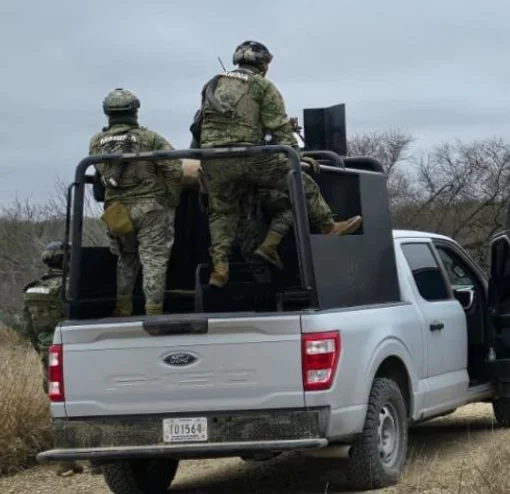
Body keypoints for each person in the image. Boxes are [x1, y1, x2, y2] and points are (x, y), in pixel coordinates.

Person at [196, 40, 362, 287]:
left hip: (213, 160)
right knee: (299, 180)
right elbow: (279, 128)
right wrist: (296, 156)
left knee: (221, 214)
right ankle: (329, 226)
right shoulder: (262, 86)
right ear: (262, 63)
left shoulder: (212, 84)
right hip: (249, 158)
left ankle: (220, 269)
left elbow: (200, 123)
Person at [89, 88, 183, 317]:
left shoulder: (95, 141)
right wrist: (171, 199)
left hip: (117, 211)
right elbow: (174, 168)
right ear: (134, 110)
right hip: (151, 209)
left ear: (107, 112)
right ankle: (153, 314)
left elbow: (101, 172)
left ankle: (123, 308)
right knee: (154, 260)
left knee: (126, 258)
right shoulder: (150, 138)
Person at [22, 243, 94, 475]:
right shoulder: (70, 287)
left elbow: (28, 328)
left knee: (60, 406)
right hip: (75, 350)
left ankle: (66, 462)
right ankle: (97, 460)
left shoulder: (32, 290)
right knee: (89, 400)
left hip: (49, 352)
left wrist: (42, 349)